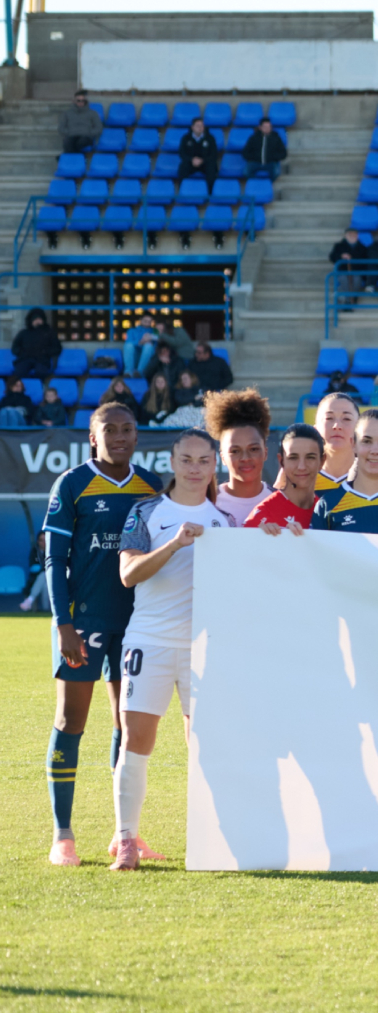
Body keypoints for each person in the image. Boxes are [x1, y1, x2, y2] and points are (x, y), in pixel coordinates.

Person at [39, 403, 163, 867]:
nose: (119, 437)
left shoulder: (151, 487)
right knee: (72, 721)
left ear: (137, 435)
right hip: (83, 623)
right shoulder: (72, 483)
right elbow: (54, 560)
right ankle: (63, 834)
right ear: (93, 437)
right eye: (108, 430)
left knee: (125, 726)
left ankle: (122, 834)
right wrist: (62, 623)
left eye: (127, 429)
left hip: (135, 623)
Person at [108, 429, 235, 871]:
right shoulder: (147, 511)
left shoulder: (225, 522)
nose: (195, 468)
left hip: (203, 650)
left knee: (204, 746)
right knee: (137, 742)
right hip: (150, 641)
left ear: (213, 464)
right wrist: (175, 543)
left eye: (204, 460)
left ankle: (211, 839)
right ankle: (126, 839)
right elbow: (128, 574)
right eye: (187, 459)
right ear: (173, 462)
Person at [203, 388, 272, 526]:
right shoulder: (206, 503)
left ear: (265, 452)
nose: (245, 458)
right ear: (222, 457)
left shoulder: (280, 501)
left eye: (253, 449)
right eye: (235, 451)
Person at [246, 424, 326, 532]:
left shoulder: (328, 514)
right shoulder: (262, 516)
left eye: (310, 457)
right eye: (293, 458)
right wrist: (263, 538)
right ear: (281, 461)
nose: (301, 466)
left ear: (322, 461)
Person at [11, 308, 60, 382]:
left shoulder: (49, 333)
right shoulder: (24, 333)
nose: (37, 321)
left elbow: (57, 348)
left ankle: (38, 389)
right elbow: (15, 347)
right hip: (25, 358)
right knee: (20, 372)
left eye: (39, 319)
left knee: (41, 372)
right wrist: (21, 353)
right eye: (35, 319)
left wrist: (46, 352)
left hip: (42, 359)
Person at [176, 117, 218, 191]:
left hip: (205, 163)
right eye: (198, 126)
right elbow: (182, 153)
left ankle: (210, 192)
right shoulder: (186, 138)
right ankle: (183, 190)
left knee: (212, 167)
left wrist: (202, 160)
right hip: (191, 163)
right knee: (183, 167)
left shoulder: (210, 138)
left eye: (202, 126)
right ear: (192, 127)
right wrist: (191, 159)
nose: (200, 128)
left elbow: (214, 154)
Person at [241, 118, 287, 182]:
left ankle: (268, 185)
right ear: (260, 127)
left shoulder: (276, 138)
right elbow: (245, 152)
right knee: (246, 172)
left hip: (270, 163)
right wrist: (254, 157)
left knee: (276, 172)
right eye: (265, 127)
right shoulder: (253, 138)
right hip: (255, 162)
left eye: (269, 126)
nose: (267, 128)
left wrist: (273, 157)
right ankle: (256, 184)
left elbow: (283, 153)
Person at [59, 90, 103, 156]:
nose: (81, 102)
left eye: (83, 100)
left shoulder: (93, 113)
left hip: (86, 136)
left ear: (86, 101)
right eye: (78, 100)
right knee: (67, 143)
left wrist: (89, 133)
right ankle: (77, 160)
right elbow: (61, 127)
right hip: (72, 135)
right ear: (74, 101)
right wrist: (69, 132)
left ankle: (65, 158)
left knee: (80, 143)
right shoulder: (67, 113)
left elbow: (98, 127)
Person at [329, 228, 367, 295]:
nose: (352, 236)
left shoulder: (363, 247)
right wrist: (341, 256)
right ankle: (350, 300)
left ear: (357, 236)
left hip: (357, 271)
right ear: (346, 235)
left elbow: (365, 260)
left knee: (357, 280)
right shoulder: (338, 246)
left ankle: (348, 299)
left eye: (354, 234)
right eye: (350, 234)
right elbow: (332, 257)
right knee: (343, 279)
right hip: (343, 270)